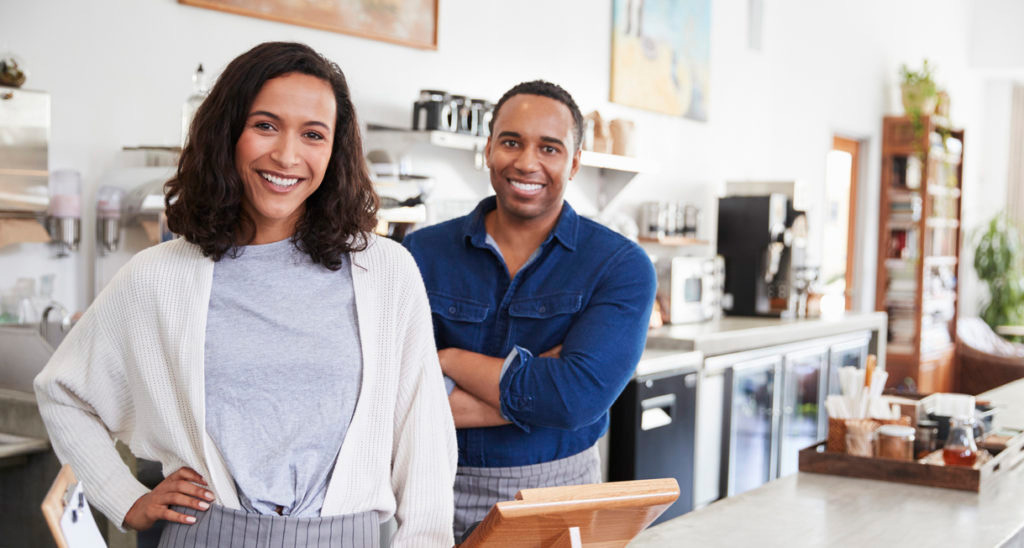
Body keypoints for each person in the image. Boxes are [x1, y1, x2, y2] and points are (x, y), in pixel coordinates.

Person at [34, 42, 456, 547]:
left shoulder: (385, 272)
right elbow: (62, 392)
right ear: (227, 133)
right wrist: (123, 496)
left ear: (335, 152)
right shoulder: (159, 276)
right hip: (206, 535)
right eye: (265, 125)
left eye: (313, 134)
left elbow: (424, 438)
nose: (287, 155)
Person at [402, 80, 656, 539]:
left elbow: (576, 399)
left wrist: (447, 362)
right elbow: (396, 394)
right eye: (511, 142)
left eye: (550, 148)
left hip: (556, 494)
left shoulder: (619, 265)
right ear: (488, 150)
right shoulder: (420, 252)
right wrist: (541, 383)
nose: (526, 162)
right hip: (430, 483)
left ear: (575, 162)